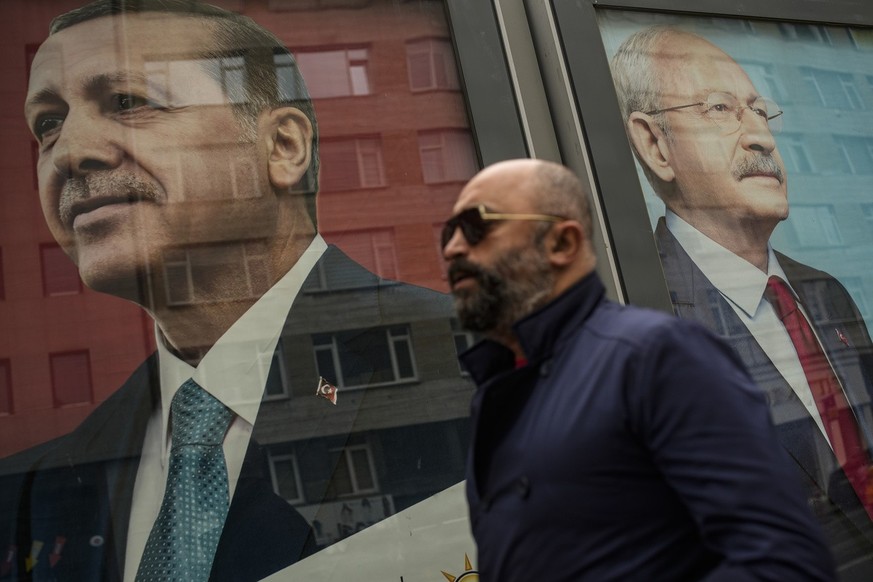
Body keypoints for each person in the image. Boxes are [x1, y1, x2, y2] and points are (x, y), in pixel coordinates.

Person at [0, 1, 466, 580]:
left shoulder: (490, 370)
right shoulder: (33, 491)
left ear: (283, 147)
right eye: (48, 124)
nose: (69, 153)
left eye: (127, 102)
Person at [441, 158, 836, 581]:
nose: (453, 248)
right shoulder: (496, 400)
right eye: (449, 233)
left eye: (477, 225)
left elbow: (784, 565)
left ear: (561, 243)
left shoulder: (655, 357)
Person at [611, 26, 873, 577]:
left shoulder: (826, 293)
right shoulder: (637, 319)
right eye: (720, 109)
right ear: (655, 145)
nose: (761, 137)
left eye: (758, 110)